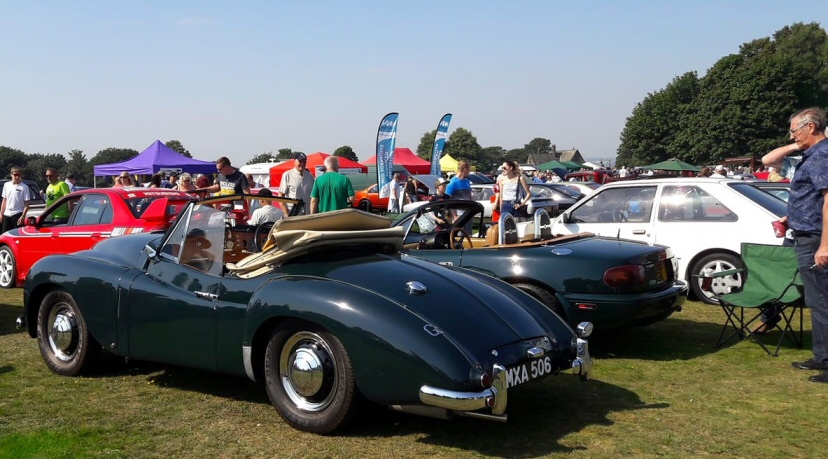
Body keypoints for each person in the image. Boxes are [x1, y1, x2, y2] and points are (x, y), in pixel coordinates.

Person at [762, 107, 828, 383]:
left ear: (810, 127)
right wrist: (794, 216)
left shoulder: (821, 156)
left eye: (794, 130)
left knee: (822, 301)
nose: (792, 136)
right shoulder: (813, 155)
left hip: (815, 239)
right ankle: (821, 356)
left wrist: (825, 245)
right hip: (806, 233)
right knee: (817, 301)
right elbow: (769, 159)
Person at [1, 166, 32, 233]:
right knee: (4, 234)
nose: (17, 177)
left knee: (17, 235)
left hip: (18, 214)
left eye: (19, 175)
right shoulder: (6, 185)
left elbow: (27, 204)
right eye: (15, 175)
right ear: (11, 174)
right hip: (7, 214)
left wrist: (23, 216)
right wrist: (1, 214)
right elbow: (4, 200)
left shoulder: (24, 187)